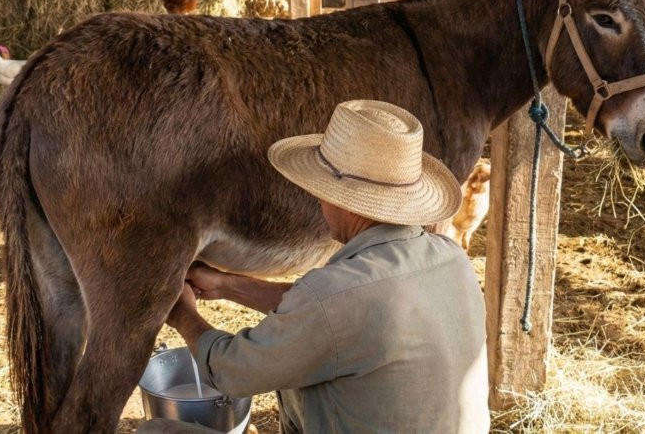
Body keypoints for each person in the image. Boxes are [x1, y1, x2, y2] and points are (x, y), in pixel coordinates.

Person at [138, 99, 490, 433]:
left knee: (154, 431)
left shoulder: (338, 296)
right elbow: (334, 311)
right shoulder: (450, 257)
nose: (318, 199)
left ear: (349, 203)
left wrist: (183, 314)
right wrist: (226, 285)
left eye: (321, 189)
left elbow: (230, 372)